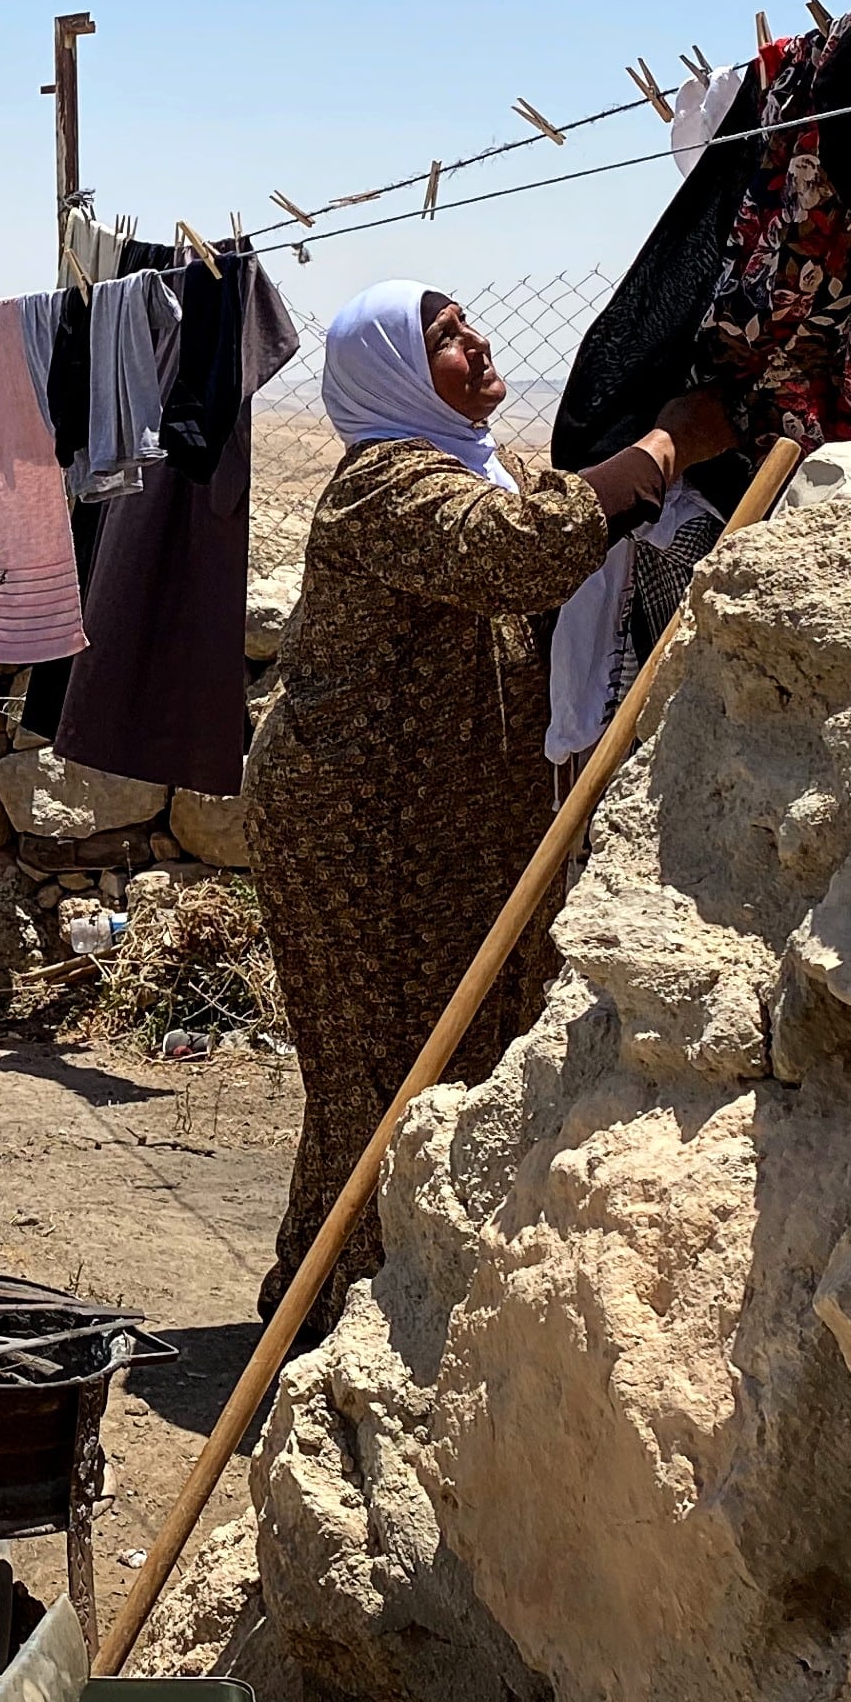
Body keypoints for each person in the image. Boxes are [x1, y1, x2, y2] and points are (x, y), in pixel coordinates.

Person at [249, 279, 730, 1320]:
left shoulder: (491, 468)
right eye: (443, 337)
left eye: (466, 321)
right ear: (392, 375)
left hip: (454, 827)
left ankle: (376, 1300)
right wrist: (665, 446)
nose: (474, 341)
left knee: (456, 1062)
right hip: (357, 832)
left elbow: (566, 538)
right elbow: (520, 552)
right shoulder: (385, 483)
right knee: (380, 1072)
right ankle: (329, 1319)